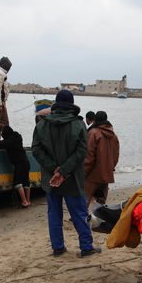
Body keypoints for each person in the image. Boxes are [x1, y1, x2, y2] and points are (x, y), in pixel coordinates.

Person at [32, 90, 100, 257]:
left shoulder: (42, 124)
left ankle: (58, 248)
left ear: (55, 103)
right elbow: (82, 151)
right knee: (79, 213)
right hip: (72, 178)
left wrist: (54, 169)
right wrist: (63, 171)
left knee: (54, 213)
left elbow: (36, 149)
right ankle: (86, 247)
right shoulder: (79, 124)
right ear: (72, 104)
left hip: (51, 178)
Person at [84, 111, 120, 210]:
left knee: (85, 198)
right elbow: (116, 155)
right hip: (106, 174)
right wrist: (111, 167)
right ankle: (99, 219)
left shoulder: (93, 132)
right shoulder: (113, 135)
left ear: (96, 119)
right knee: (101, 201)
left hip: (93, 174)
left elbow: (89, 156)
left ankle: (81, 219)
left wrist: (84, 172)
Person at [0, 125, 31, 208]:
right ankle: (28, 200)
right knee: (26, 182)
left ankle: (24, 202)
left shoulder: (9, 142)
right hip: (26, 162)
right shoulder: (18, 137)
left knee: (17, 183)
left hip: (19, 164)